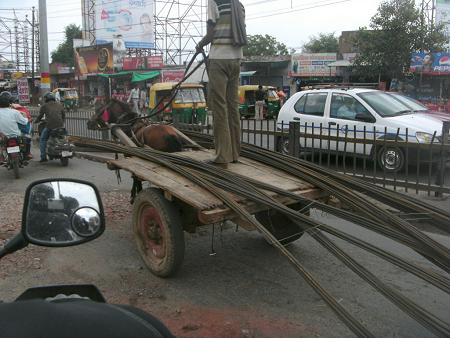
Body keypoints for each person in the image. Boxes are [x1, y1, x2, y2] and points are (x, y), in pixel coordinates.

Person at [196, 0, 247, 168]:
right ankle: (234, 154)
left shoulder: (214, 2)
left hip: (219, 59)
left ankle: (221, 156)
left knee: (219, 107)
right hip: (236, 59)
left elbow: (211, 34)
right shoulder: (239, 5)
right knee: (233, 107)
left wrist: (200, 44)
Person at [34, 92, 65, 163]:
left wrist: (36, 121)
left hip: (50, 126)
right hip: (60, 126)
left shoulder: (44, 106)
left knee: (42, 139)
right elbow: (63, 115)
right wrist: (62, 123)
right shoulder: (60, 105)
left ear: (46, 99)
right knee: (63, 136)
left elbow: (40, 116)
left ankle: (43, 157)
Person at [0, 94, 29, 163]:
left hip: (3, 136)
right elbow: (24, 122)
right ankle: (26, 156)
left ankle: (1, 157)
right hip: (16, 135)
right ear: (10, 103)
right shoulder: (15, 112)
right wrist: (25, 117)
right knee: (27, 139)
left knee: (2, 145)